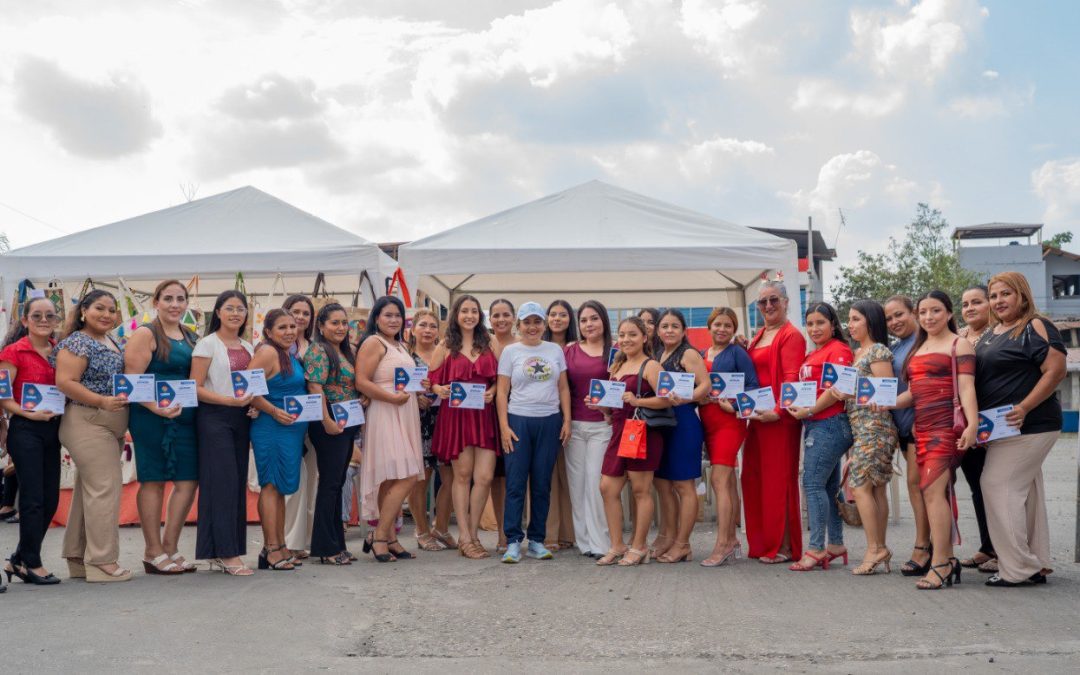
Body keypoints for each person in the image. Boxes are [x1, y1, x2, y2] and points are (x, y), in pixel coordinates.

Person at [977, 272, 1066, 587]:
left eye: (1006, 294)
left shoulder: (1036, 326)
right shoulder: (992, 332)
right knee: (1026, 492)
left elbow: (1055, 370)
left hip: (1030, 424)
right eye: (994, 295)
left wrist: (1025, 406)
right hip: (1001, 429)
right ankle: (1036, 563)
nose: (998, 301)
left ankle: (1017, 568)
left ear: (1022, 296)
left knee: (997, 485)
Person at [891, 290, 979, 589]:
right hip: (922, 430)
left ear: (949, 313)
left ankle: (940, 562)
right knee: (934, 493)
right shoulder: (919, 347)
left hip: (947, 429)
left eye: (936, 311)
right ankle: (948, 559)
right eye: (924, 312)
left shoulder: (959, 344)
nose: (929, 317)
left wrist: (972, 424)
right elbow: (914, 393)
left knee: (931, 491)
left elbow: (967, 389)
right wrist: (885, 401)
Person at [53, 290, 131, 582]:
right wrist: (101, 402)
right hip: (87, 420)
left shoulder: (112, 341)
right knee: (105, 490)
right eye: (100, 308)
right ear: (83, 311)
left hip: (110, 422)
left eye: (112, 310)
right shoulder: (77, 341)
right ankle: (102, 562)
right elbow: (65, 381)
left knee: (91, 491)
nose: (107, 315)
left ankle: (77, 557)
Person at [124, 280, 199, 576]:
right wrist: (157, 407)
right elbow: (131, 381)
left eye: (181, 299)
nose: (175, 304)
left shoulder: (191, 336)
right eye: (168, 298)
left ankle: (170, 546)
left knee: (188, 481)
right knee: (153, 480)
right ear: (155, 302)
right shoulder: (145, 333)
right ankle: (152, 550)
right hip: (151, 417)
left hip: (185, 418)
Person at [495, 302, 571, 563]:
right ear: (519, 325)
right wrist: (504, 426)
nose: (532, 327)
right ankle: (513, 541)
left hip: (549, 421)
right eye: (527, 322)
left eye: (537, 321)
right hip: (518, 421)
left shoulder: (555, 350)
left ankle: (537, 540)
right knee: (515, 484)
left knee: (541, 484)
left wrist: (567, 420)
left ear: (544, 324)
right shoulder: (510, 351)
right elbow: (502, 392)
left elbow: (563, 389)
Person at [594, 317, 670, 566]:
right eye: (622, 335)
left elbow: (667, 400)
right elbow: (614, 403)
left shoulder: (652, 366)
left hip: (642, 432)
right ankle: (617, 545)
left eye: (632, 335)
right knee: (608, 487)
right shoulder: (616, 366)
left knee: (640, 490)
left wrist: (638, 401)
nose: (626, 339)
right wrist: (602, 407)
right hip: (618, 431)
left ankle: (639, 546)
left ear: (645, 338)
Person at [191, 290, 256, 576]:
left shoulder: (249, 346)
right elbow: (196, 387)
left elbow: (251, 386)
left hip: (241, 418)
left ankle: (221, 551)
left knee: (236, 482)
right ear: (217, 312)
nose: (235, 314)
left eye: (240, 309)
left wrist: (253, 405)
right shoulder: (206, 344)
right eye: (229, 308)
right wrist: (230, 401)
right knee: (222, 482)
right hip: (214, 417)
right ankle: (226, 553)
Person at [429, 296, 500, 559]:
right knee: (462, 476)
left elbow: (500, 378)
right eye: (464, 311)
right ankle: (465, 537)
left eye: (473, 311)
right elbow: (431, 380)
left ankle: (473, 533)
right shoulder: (446, 344)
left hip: (484, 416)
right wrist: (440, 389)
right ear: (456, 314)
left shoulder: (490, 342)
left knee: (484, 477)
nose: (469, 315)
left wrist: (493, 391)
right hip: (456, 417)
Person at [784, 303, 853, 572]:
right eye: (810, 323)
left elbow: (837, 389)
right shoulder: (817, 352)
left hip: (829, 424)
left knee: (812, 483)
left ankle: (815, 548)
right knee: (826, 486)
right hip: (816, 424)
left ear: (833, 324)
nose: (814, 328)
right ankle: (835, 544)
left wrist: (810, 409)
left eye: (820, 322)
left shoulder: (839, 350)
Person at [355, 296, 424, 562]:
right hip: (385, 410)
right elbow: (361, 381)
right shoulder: (374, 342)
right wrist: (391, 398)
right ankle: (380, 535)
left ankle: (390, 538)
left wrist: (420, 388)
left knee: (392, 477)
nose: (393, 320)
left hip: (404, 410)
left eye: (398, 315)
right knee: (407, 473)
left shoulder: (401, 344)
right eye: (388, 315)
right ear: (377, 317)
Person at [0, 297, 63, 585]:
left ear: (56, 320)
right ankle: (32, 562)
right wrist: (25, 413)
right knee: (33, 498)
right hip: (25, 429)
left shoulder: (59, 351)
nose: (43, 320)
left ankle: (19, 559)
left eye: (49, 315)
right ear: (24, 321)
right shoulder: (13, 352)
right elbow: (3, 395)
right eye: (36, 315)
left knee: (50, 499)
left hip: (52, 430)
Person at [744, 280, 806, 564]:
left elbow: (791, 378)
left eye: (774, 300)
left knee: (778, 480)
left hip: (779, 420)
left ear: (786, 302)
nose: (768, 306)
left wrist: (780, 412)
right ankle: (763, 542)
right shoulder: (759, 335)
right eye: (763, 302)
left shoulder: (791, 335)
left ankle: (782, 546)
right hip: (758, 418)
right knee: (755, 478)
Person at [841, 300, 899, 575]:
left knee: (861, 485)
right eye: (849, 320)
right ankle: (880, 547)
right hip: (860, 427)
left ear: (870, 321)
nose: (850, 325)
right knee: (874, 488)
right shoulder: (857, 352)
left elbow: (885, 393)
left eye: (855, 319)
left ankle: (875, 548)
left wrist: (858, 394)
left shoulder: (877, 351)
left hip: (875, 426)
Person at [304, 303, 362, 566]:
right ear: (321, 326)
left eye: (343, 323)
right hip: (328, 423)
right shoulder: (318, 350)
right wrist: (326, 419)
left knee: (337, 483)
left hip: (347, 421)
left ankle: (336, 543)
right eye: (334, 323)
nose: (340, 328)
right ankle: (325, 547)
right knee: (329, 483)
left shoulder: (346, 351)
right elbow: (315, 386)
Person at [248, 309, 306, 570]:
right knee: (271, 485)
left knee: (281, 487)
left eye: (292, 326)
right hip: (271, 427)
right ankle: (271, 548)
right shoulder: (268, 352)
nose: (289, 331)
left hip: (291, 430)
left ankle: (280, 544)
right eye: (282, 327)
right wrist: (271, 410)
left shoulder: (288, 354)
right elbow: (246, 388)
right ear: (269, 332)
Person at [699, 307, 756, 567]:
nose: (722, 329)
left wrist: (733, 406)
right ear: (709, 327)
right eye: (717, 324)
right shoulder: (701, 355)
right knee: (728, 482)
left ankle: (722, 544)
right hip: (708, 424)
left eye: (728, 325)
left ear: (734, 330)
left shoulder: (738, 353)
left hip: (729, 423)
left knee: (719, 481)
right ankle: (732, 539)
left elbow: (754, 387)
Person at [651, 309, 708, 564]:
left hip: (684, 422)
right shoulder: (657, 354)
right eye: (665, 326)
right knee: (662, 484)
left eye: (675, 326)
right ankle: (667, 535)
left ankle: (683, 543)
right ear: (658, 330)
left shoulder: (688, 353)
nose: (669, 330)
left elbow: (705, 385)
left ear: (684, 330)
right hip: (662, 424)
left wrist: (688, 397)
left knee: (684, 486)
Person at [563, 300, 613, 558]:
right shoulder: (569, 351)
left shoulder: (615, 351)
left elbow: (621, 388)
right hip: (574, 427)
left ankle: (601, 543)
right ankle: (584, 542)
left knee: (596, 485)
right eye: (583, 320)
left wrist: (606, 408)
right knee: (577, 485)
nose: (589, 324)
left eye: (594, 318)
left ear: (603, 320)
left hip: (602, 427)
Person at [407, 309, 455, 552]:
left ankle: (441, 527)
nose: (428, 330)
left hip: (445, 419)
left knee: (451, 478)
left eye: (433, 326)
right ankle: (422, 530)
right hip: (417, 422)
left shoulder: (446, 354)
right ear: (413, 329)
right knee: (421, 479)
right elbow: (397, 387)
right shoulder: (405, 357)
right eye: (423, 325)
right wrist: (414, 398)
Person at [957, 284, 997, 573]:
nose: (970, 308)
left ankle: (1002, 549)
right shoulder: (958, 338)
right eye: (965, 304)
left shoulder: (999, 335)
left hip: (993, 422)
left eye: (977, 302)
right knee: (976, 488)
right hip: (964, 423)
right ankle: (987, 547)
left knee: (996, 488)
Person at [282, 294, 317, 561]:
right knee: (293, 483)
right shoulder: (277, 346)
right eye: (296, 312)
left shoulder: (316, 346)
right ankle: (288, 541)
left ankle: (305, 540)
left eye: (306, 313)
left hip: (314, 421)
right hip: (285, 420)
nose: (301, 317)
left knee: (312, 481)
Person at [541, 299, 576, 552]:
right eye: (552, 314)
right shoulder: (538, 347)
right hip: (543, 415)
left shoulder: (577, 347)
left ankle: (569, 533)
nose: (557, 319)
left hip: (574, 416)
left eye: (562, 314)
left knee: (569, 477)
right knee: (546, 477)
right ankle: (548, 534)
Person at [488, 298, 517, 552]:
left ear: (514, 317)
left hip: (519, 414)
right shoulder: (483, 343)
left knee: (515, 478)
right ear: (489, 319)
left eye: (505, 314)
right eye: (496, 315)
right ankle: (502, 532)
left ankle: (517, 528)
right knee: (497, 479)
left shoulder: (523, 344)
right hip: (488, 415)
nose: (501, 319)